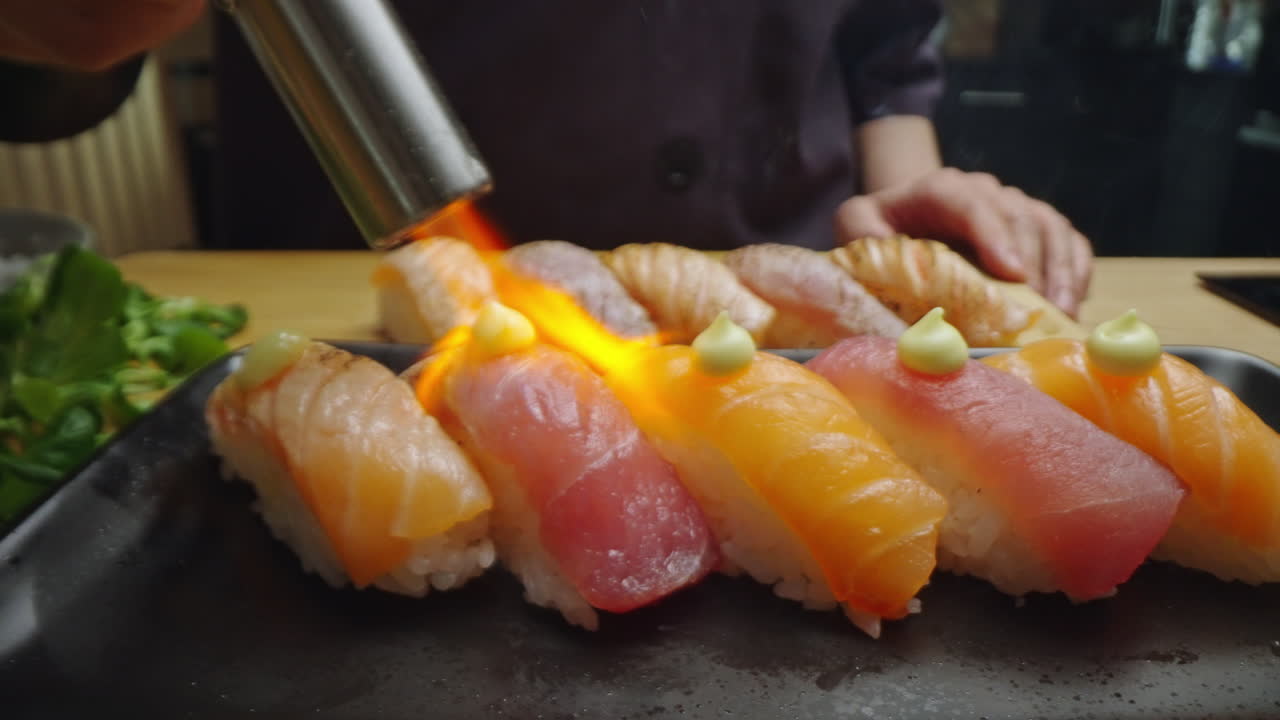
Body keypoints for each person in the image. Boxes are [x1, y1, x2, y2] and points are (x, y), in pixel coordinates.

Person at [0, 0, 1092, 315]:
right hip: (376, 301)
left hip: (789, 313)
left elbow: (882, 42)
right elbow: (52, 70)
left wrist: (905, 195)